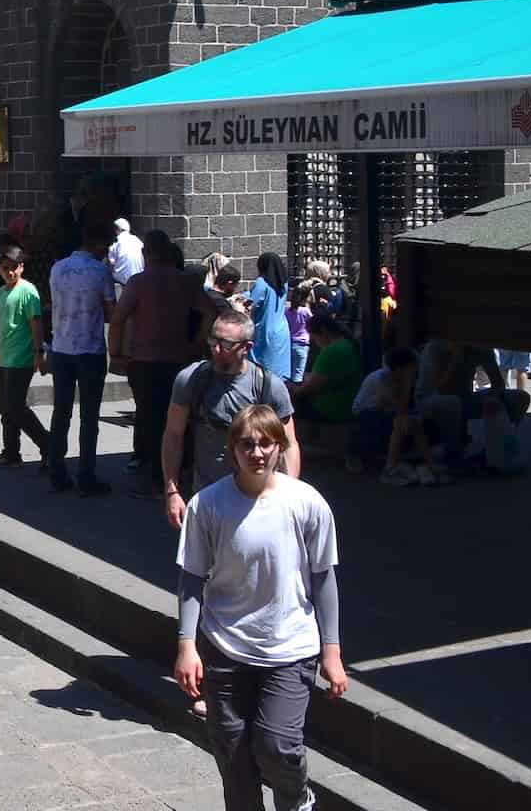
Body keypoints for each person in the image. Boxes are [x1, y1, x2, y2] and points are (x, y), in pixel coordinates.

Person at [174, 404, 346, 811]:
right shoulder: (208, 505)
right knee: (232, 756)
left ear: (280, 448)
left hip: (290, 646)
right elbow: (192, 577)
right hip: (225, 645)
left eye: (266, 444)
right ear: (232, 449)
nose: (257, 452)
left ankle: (296, 798)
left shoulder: (306, 503)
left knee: (276, 745)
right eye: (247, 444)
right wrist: (186, 644)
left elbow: (324, 577)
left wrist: (332, 651)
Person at [162, 311, 301, 530]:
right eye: (213, 340)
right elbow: (173, 435)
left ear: (247, 347)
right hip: (206, 497)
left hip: (257, 499)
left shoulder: (268, 386)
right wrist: (172, 491)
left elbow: (289, 443)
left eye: (226, 344)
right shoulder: (191, 379)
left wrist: (289, 494)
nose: (216, 349)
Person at [110, 230, 216, 499]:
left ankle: (157, 479)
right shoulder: (185, 282)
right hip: (179, 359)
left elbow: (119, 318)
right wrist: (196, 342)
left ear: (147, 253)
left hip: (145, 361)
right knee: (182, 418)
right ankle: (182, 474)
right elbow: (210, 313)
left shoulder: (138, 282)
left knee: (151, 420)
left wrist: (115, 353)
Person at [47, 219, 117, 496]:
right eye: (107, 246)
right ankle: (86, 476)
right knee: (89, 416)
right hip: (90, 350)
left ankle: (56, 472)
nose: (108, 252)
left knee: (60, 412)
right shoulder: (100, 272)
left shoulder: (57, 268)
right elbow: (112, 313)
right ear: (98, 244)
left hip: (61, 347)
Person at [0, 245, 51, 467]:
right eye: (5, 268)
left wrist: (38, 353)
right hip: (5, 358)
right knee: (6, 408)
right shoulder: (1, 293)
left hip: (22, 359)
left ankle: (48, 445)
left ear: (21, 267)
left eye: (14, 268)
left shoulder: (28, 291)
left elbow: (36, 323)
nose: (10, 272)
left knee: (16, 407)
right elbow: (5, 326)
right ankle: (11, 453)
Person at [350, 347, 432, 484]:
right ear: (402, 367)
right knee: (401, 422)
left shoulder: (399, 378)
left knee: (413, 421)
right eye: (411, 367)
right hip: (366, 415)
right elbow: (399, 407)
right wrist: (408, 383)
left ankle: (429, 463)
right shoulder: (382, 378)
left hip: (384, 412)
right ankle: (390, 469)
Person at [295, 315, 362, 424]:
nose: (316, 343)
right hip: (348, 403)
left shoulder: (332, 351)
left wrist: (294, 389)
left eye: (315, 338)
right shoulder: (348, 344)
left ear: (323, 331)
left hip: (332, 409)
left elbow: (310, 388)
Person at [247, 252, 292, 380]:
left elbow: (252, 304)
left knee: (262, 370)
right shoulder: (284, 283)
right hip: (282, 329)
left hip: (265, 329)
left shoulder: (262, 283)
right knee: (279, 370)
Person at [107, 217, 145, 295]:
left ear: (117, 229)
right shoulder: (137, 240)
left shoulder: (116, 242)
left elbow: (111, 263)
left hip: (122, 279)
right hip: (139, 277)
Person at [285, 284, 313, 386]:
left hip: (290, 344)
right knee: (298, 374)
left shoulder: (287, 311)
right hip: (302, 345)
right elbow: (313, 322)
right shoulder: (305, 311)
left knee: (290, 372)